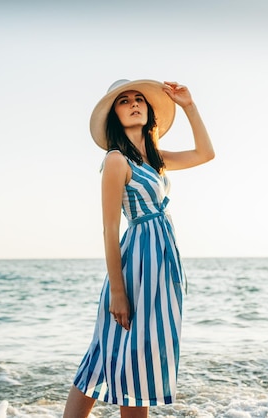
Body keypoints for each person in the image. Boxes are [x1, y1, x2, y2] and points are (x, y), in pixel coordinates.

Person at [63, 79, 214, 418]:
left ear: (148, 110)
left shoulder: (155, 160)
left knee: (138, 355)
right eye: (124, 101)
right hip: (137, 266)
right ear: (115, 115)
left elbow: (206, 153)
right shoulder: (116, 161)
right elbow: (110, 229)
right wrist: (118, 291)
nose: (134, 104)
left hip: (162, 265)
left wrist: (189, 106)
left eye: (139, 99)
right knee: (115, 354)